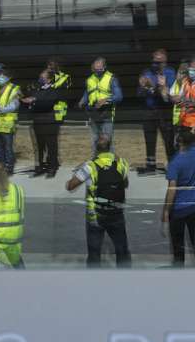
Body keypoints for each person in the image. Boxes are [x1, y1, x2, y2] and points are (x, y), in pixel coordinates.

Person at [66, 136, 131, 268]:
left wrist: (77, 171)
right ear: (110, 147)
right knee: (122, 250)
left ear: (95, 148)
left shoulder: (89, 166)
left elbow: (70, 186)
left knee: (94, 253)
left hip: (95, 216)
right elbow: (125, 184)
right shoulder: (122, 163)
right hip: (116, 213)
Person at [163, 129, 195, 267]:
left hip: (179, 209)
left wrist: (166, 210)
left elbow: (172, 189)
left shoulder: (175, 162)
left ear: (179, 142)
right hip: (194, 205)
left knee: (178, 244)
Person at [137, 48, 177, 174]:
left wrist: (153, 87)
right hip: (149, 110)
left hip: (165, 111)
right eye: (155, 61)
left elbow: (169, 93)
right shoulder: (146, 72)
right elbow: (139, 92)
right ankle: (150, 165)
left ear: (165, 61)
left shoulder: (170, 72)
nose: (157, 63)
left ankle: (172, 165)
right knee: (149, 138)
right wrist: (146, 88)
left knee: (168, 140)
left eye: (161, 61)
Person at [79, 57, 123, 154]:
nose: (98, 70)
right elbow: (87, 93)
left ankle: (110, 164)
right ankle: (95, 163)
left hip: (106, 114)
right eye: (96, 67)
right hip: (93, 114)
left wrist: (106, 100)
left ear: (104, 67)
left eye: (100, 67)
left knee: (107, 141)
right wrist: (82, 100)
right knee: (95, 140)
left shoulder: (112, 78)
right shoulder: (89, 79)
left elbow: (119, 96)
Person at [23, 69, 61, 177]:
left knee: (51, 146)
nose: (41, 78)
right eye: (40, 76)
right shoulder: (37, 90)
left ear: (49, 79)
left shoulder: (54, 90)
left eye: (43, 77)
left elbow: (47, 104)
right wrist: (28, 103)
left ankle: (52, 167)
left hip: (49, 123)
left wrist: (34, 101)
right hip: (37, 122)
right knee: (39, 146)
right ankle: (40, 166)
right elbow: (30, 104)